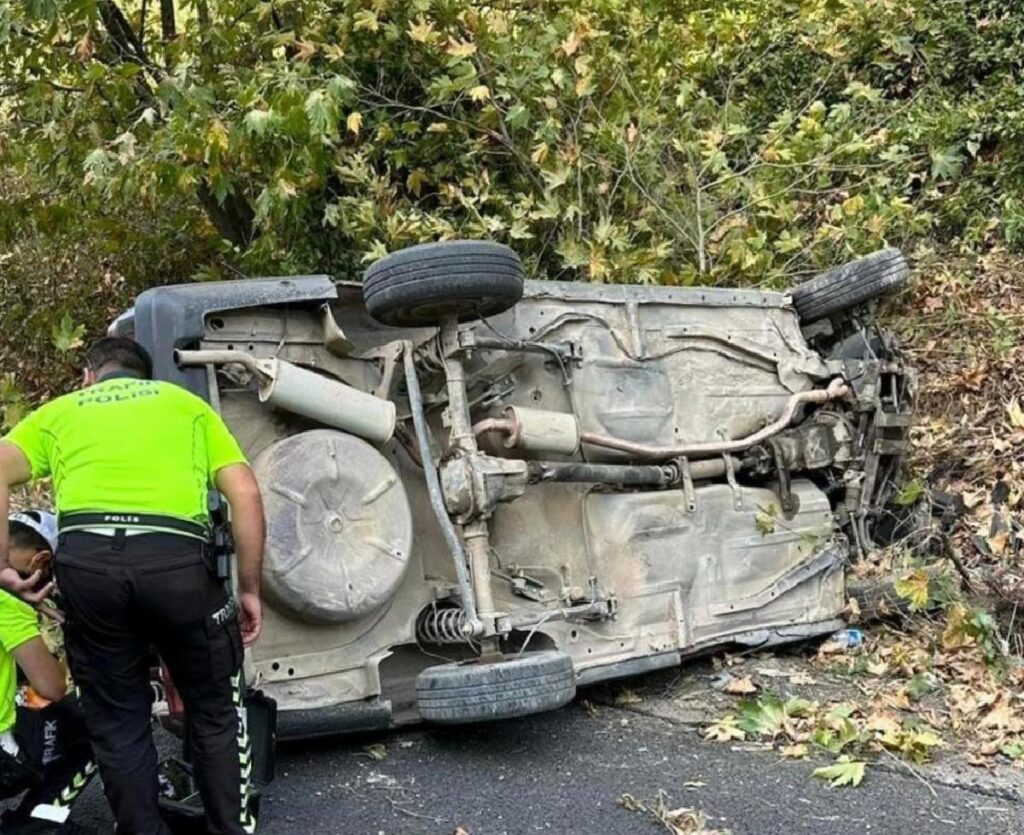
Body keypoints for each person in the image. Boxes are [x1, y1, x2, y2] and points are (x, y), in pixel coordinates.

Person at [0, 337, 266, 835]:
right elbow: (245, 492)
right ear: (147, 379)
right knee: (213, 711)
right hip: (178, 564)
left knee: (119, 721)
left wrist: (2, 569)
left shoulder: (62, 411)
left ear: (88, 377)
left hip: (89, 569)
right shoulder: (185, 406)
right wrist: (249, 587)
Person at [0, 511, 96, 834]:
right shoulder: (7, 605)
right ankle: (35, 824)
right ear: (39, 560)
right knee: (94, 731)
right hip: (4, 758)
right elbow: (53, 686)